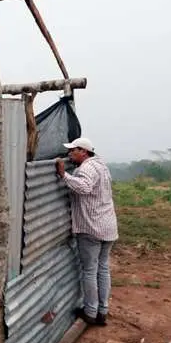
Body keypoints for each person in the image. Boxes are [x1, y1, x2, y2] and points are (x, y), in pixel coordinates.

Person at [55, 138, 118, 326]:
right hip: (108, 227)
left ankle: (90, 312)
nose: (69, 154)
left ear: (83, 151)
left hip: (91, 228)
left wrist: (63, 175)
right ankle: (103, 310)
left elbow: (84, 187)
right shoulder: (102, 166)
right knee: (103, 268)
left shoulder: (87, 168)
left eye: (73, 151)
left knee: (90, 270)